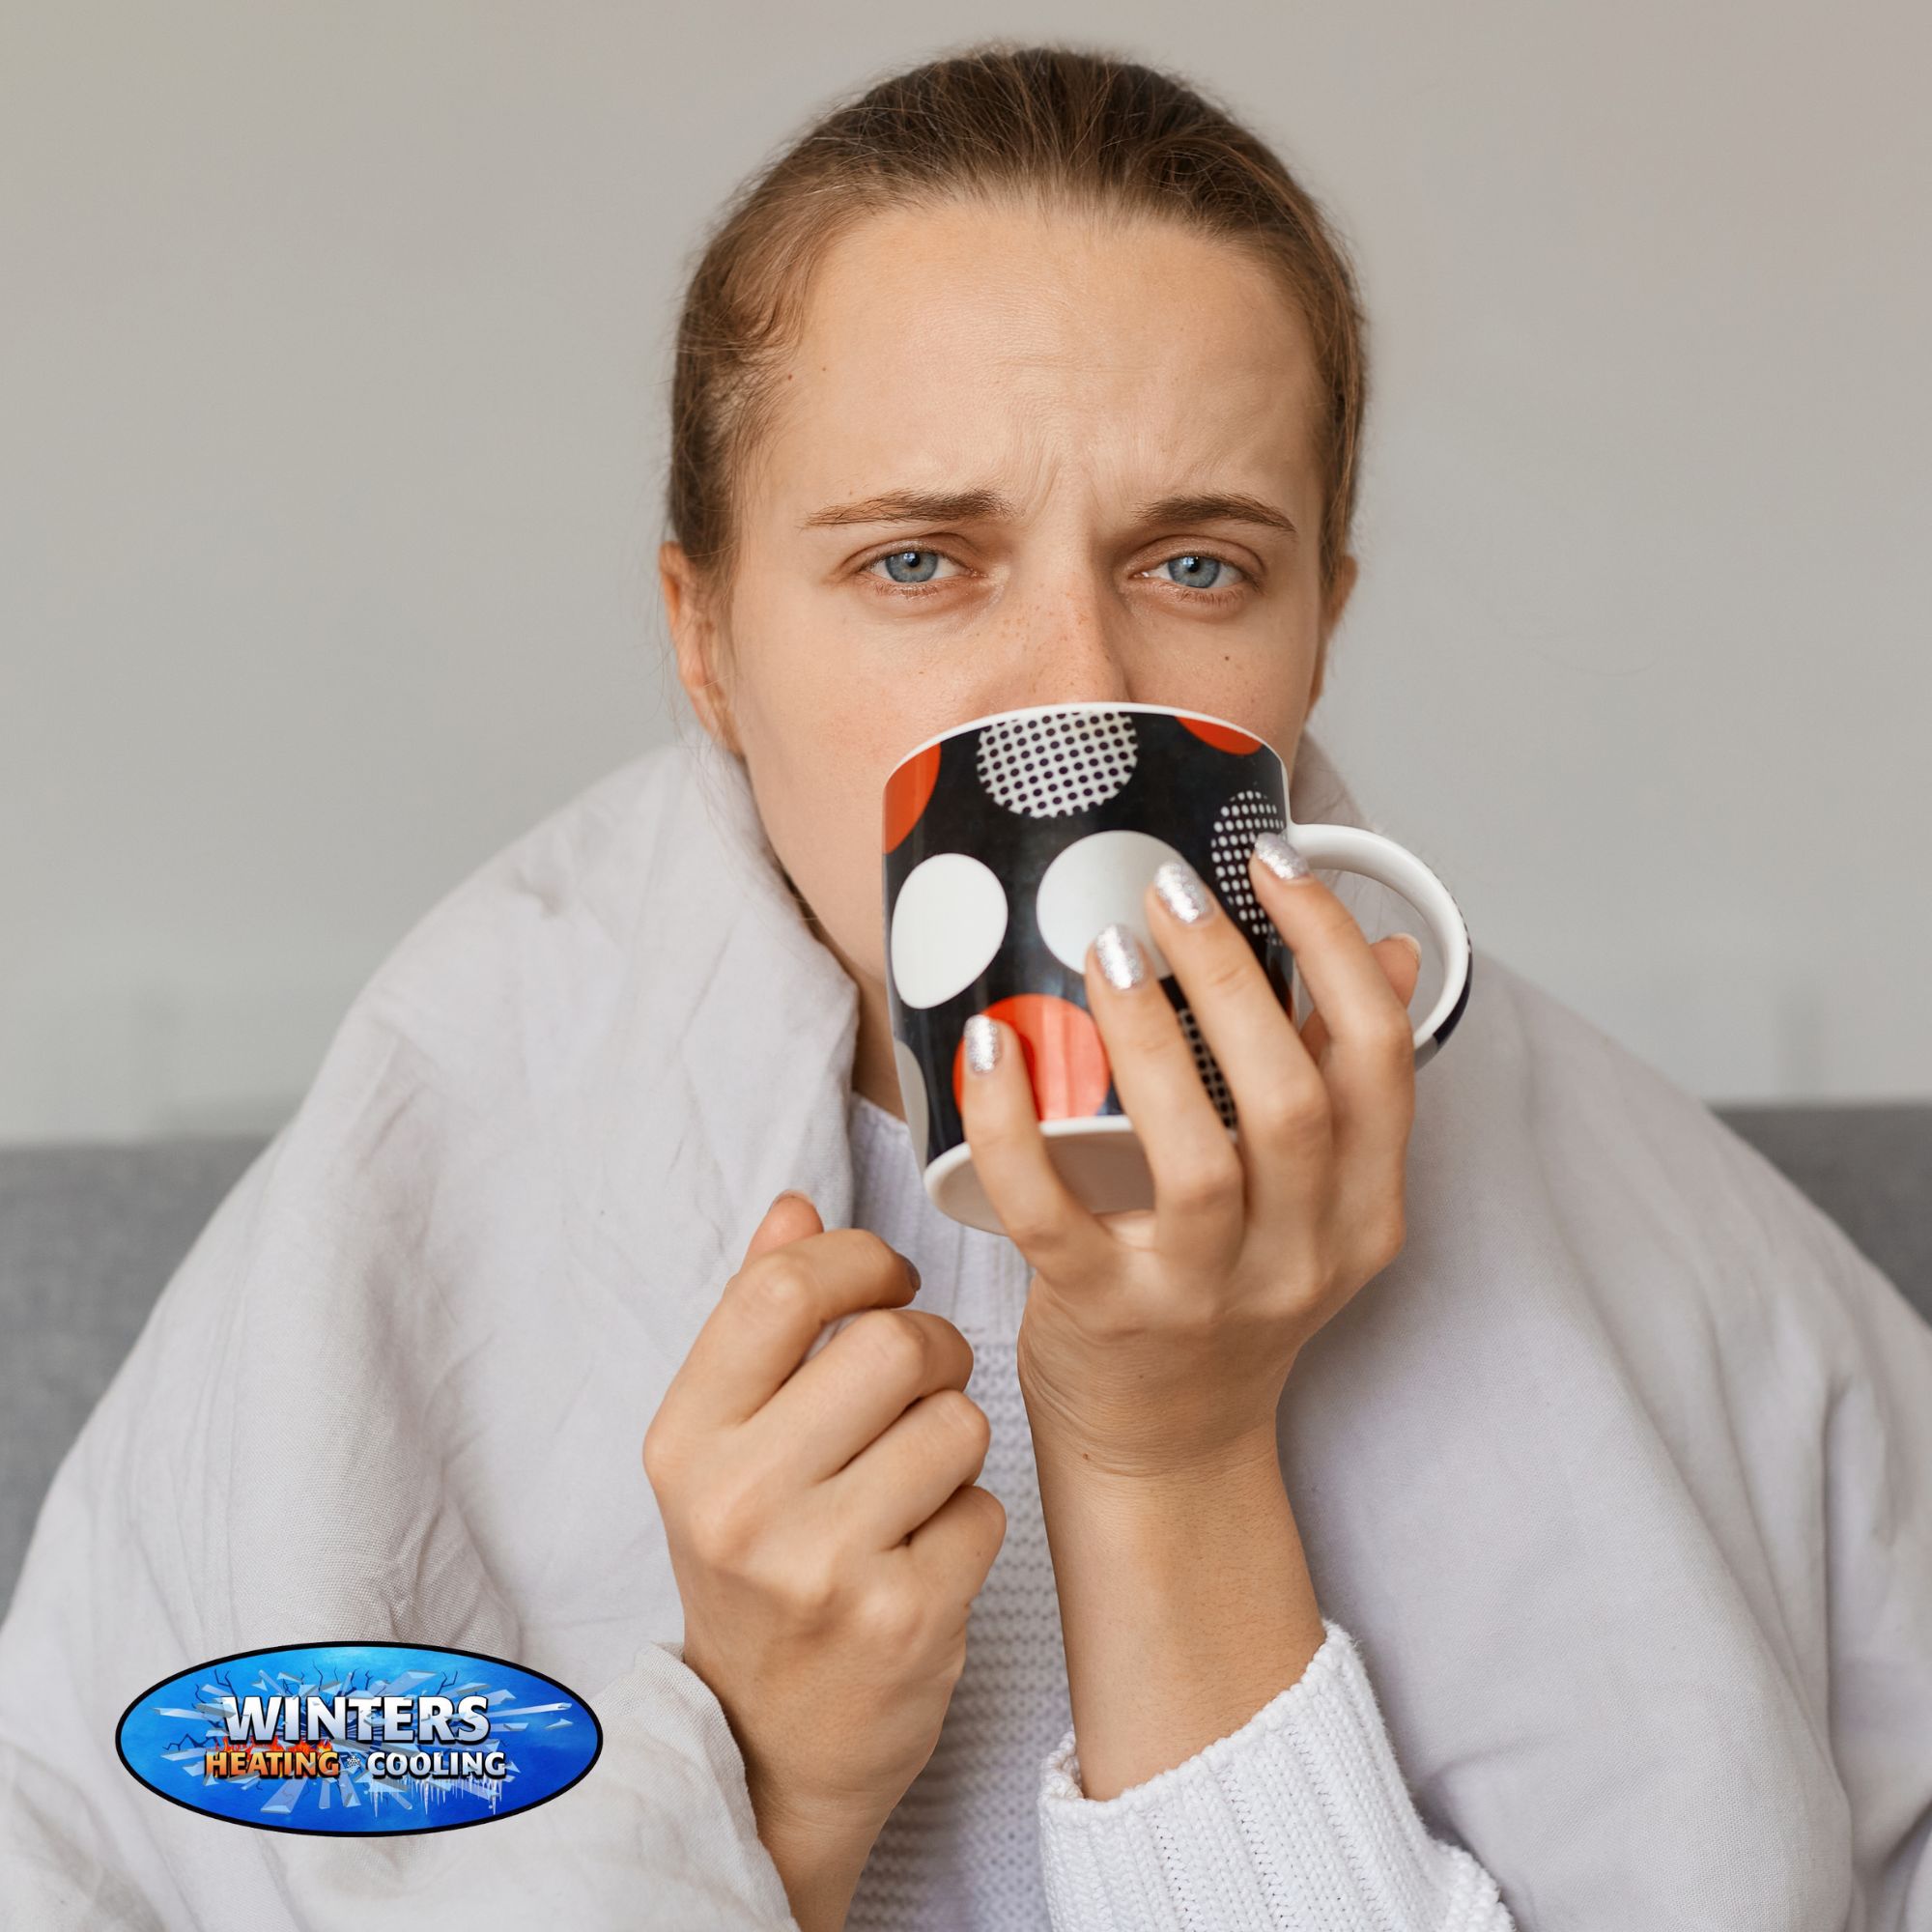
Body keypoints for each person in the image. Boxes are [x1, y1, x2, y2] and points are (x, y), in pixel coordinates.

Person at [3, 39, 1929, 1932]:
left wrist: (1166, 1456)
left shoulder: (1651, 1247)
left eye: (1194, 563)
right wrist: (763, 1786)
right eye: (919, 563)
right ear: (704, 639)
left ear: (1321, 622)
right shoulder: (414, 1188)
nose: (1066, 698)